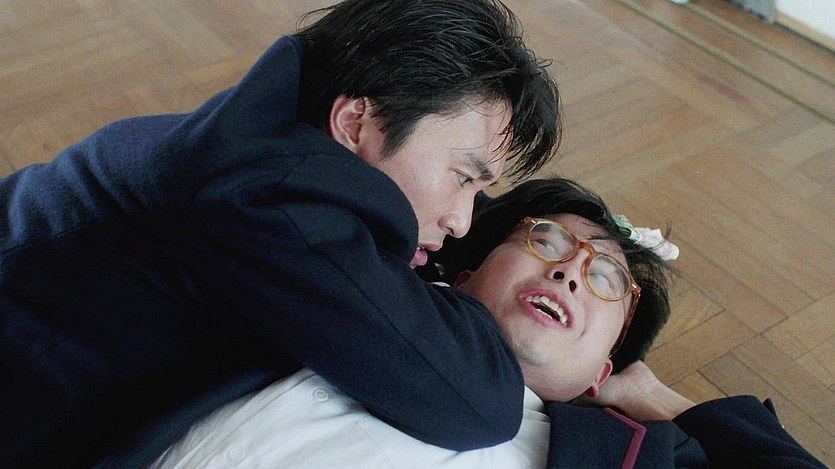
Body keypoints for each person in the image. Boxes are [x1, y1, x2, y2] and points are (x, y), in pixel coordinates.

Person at [0, 1, 562, 467]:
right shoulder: (269, 206)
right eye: (462, 177)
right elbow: (473, 402)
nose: (462, 219)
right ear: (355, 123)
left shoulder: (286, 119)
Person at [150, 177, 826, 468]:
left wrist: (659, 400)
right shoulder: (353, 286)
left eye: (605, 280)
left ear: (600, 372)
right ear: (468, 272)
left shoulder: (609, 453)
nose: (568, 272)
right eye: (547, 240)